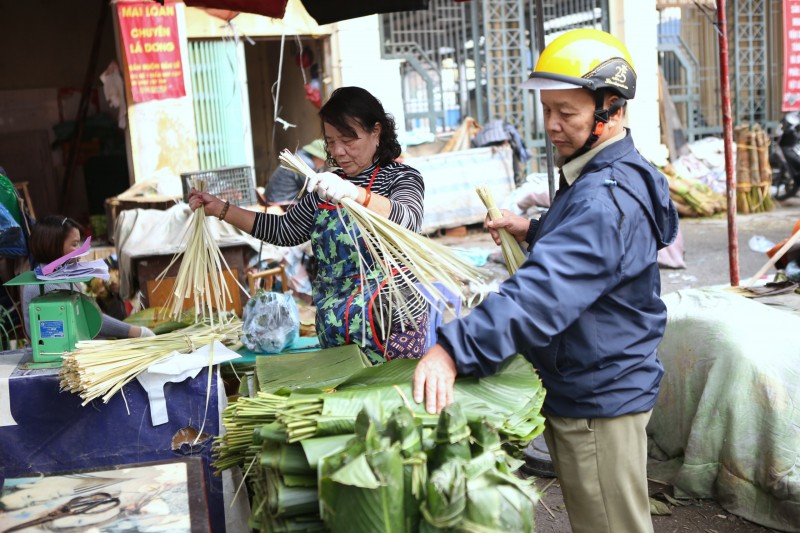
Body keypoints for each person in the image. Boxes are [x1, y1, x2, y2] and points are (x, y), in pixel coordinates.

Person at [412, 29, 678, 533]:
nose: (552, 125)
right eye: (547, 109)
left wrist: (452, 349)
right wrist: (534, 229)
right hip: (599, 382)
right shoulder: (610, 172)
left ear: (612, 109)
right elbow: (601, 258)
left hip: (598, 399)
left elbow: (540, 295)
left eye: (568, 114)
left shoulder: (603, 197)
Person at [190, 86, 429, 362]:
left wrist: (354, 193)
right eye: (330, 141)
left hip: (391, 329)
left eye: (348, 140)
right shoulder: (324, 186)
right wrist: (220, 209)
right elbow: (283, 230)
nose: (338, 151)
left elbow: (408, 220)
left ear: (376, 131)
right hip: (337, 331)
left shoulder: (400, 178)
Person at [21, 216, 154, 340]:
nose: (81, 250)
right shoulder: (46, 284)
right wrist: (136, 332)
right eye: (75, 244)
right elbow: (88, 318)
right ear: (53, 245)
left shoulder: (57, 275)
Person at [264, 138, 328, 206]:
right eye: (324, 161)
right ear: (317, 156)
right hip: (281, 201)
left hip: (271, 197)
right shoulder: (307, 164)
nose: (323, 164)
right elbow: (311, 190)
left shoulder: (299, 156)